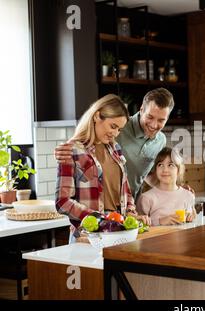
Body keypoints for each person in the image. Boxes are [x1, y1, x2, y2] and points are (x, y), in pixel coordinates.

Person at [55, 94, 147, 241]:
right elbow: (62, 202)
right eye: (113, 126)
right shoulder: (71, 150)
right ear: (97, 116)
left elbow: (126, 190)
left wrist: (130, 212)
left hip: (118, 231)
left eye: (119, 130)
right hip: (88, 235)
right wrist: (100, 219)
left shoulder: (115, 148)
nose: (115, 133)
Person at [55, 88, 174, 199]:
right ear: (142, 109)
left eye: (161, 120)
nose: (154, 125)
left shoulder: (160, 141)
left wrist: (175, 190)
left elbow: (147, 176)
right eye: (150, 117)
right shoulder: (119, 126)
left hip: (130, 205)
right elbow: (87, 141)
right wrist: (69, 149)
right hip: (102, 204)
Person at [136, 147, 196, 226]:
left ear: (178, 170)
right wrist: (160, 221)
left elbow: (192, 220)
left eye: (170, 165)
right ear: (156, 170)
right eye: (160, 165)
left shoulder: (188, 195)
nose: (165, 170)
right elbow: (138, 225)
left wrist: (191, 217)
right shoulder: (146, 198)